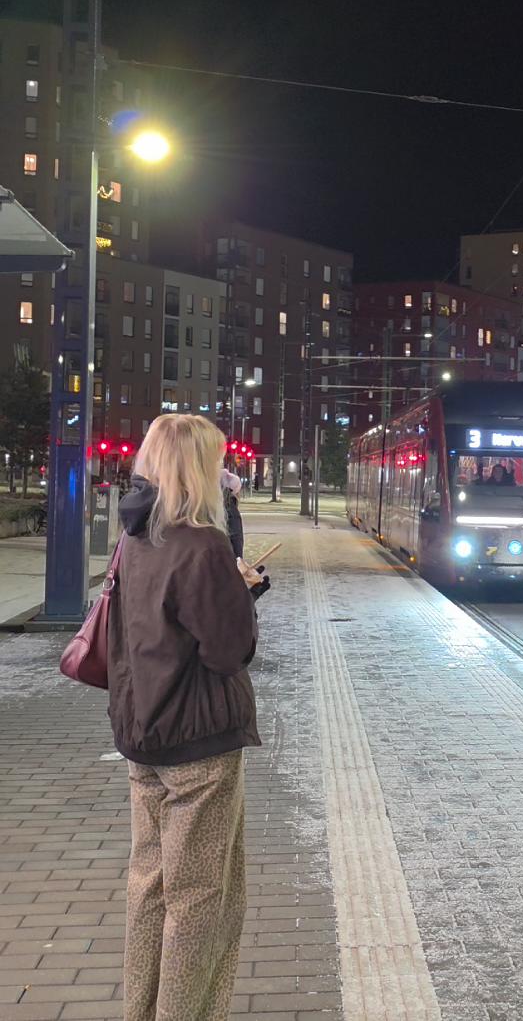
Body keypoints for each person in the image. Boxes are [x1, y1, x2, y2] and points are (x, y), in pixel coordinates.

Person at [108, 414, 263, 1021]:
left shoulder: (134, 538)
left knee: (148, 886)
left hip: (142, 732)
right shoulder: (202, 545)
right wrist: (243, 590)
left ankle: (141, 1012)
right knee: (202, 900)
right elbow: (228, 650)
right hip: (198, 741)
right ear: (200, 469)